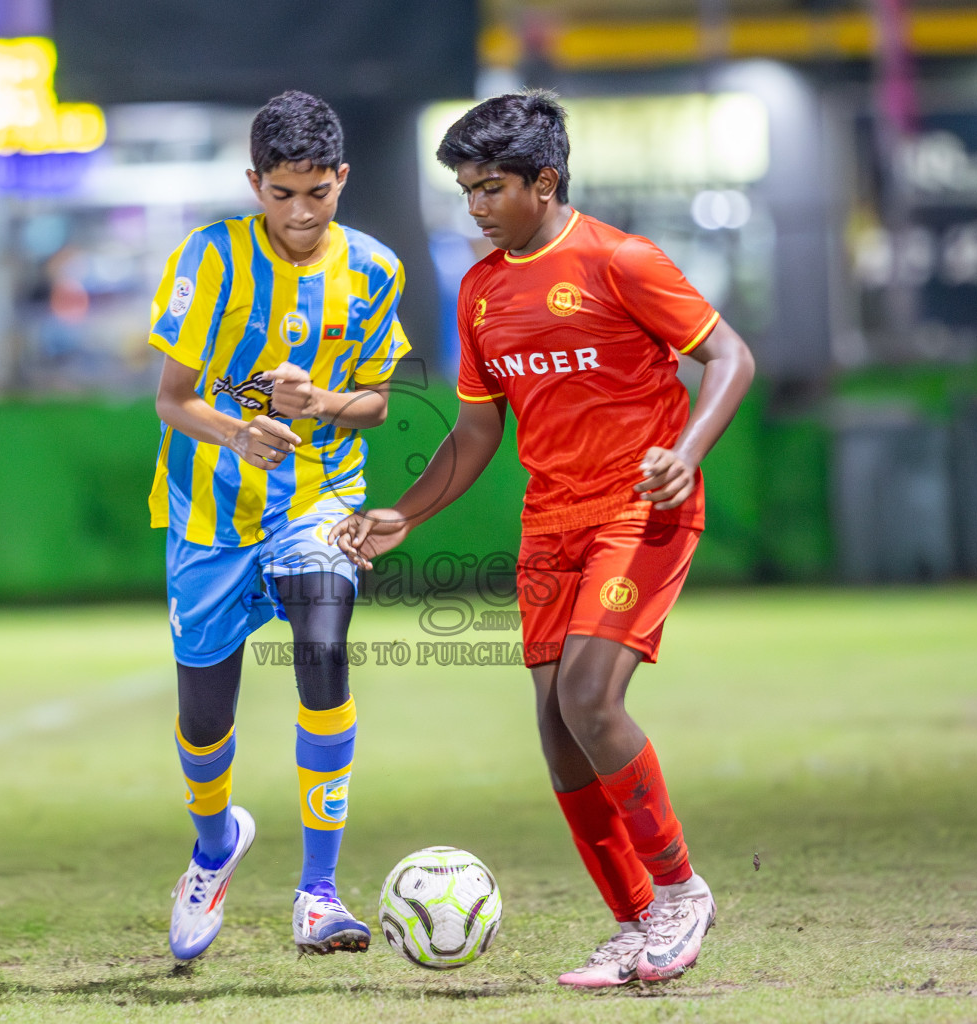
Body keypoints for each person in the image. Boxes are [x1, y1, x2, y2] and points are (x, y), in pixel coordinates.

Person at [330, 91, 755, 988]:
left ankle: (680, 893)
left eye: (489, 189)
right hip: (550, 521)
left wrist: (684, 452)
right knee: (559, 733)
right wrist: (402, 515)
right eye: (464, 191)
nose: (475, 207)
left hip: (639, 506)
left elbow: (730, 357)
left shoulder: (619, 260)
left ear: (544, 181)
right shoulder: (480, 291)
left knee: (591, 699)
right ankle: (637, 920)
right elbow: (476, 432)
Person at [148, 90, 411, 960]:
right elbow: (172, 399)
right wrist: (240, 433)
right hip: (209, 516)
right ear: (254, 182)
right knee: (203, 720)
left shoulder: (373, 267)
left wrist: (326, 402)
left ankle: (318, 894)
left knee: (324, 652)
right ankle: (216, 846)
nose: (300, 214)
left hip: (318, 502)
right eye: (281, 194)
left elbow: (375, 401)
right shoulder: (210, 257)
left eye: (317, 193)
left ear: (342, 178)